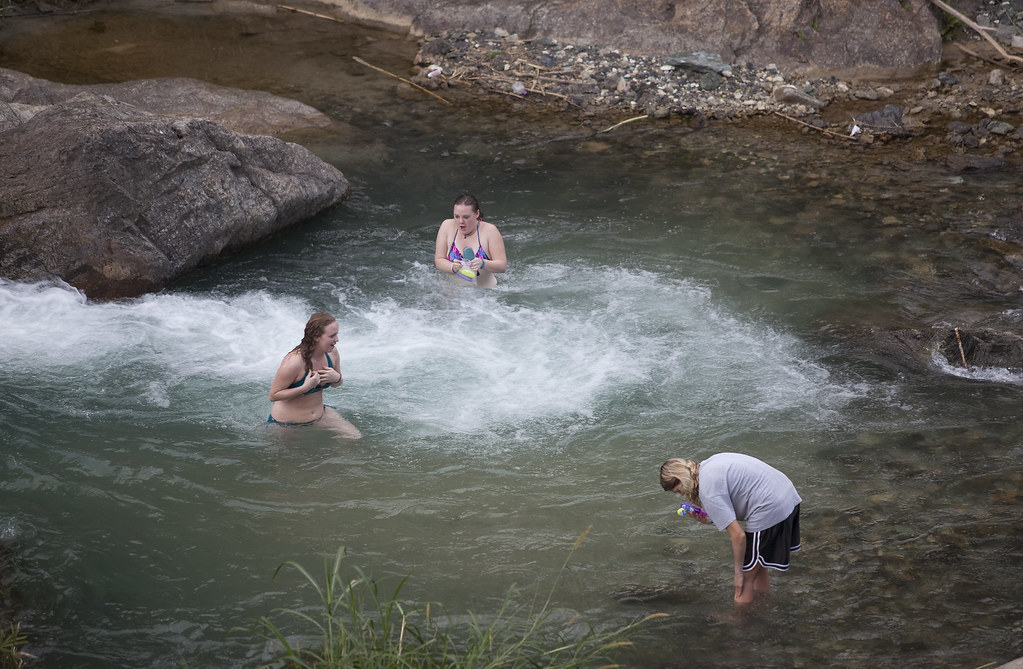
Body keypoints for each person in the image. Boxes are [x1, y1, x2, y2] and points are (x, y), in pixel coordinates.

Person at [659, 453, 801, 605]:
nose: (682, 494)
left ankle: (739, 618)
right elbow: (737, 498)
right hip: (787, 495)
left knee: (744, 580)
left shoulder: (707, 490)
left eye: (678, 490)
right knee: (759, 567)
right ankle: (763, 606)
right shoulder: (708, 466)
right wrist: (708, 519)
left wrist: (737, 573)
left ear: (681, 478)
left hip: (771, 506)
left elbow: (739, 536)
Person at [268, 312, 361, 439]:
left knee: (353, 437)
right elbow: (273, 395)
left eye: (337, 334)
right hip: (287, 424)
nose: (337, 339)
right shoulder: (294, 362)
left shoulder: (332, 353)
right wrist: (304, 388)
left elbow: (336, 384)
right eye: (332, 336)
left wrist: (337, 378)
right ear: (316, 336)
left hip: (320, 415)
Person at [434, 193, 507, 288]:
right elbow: (439, 259)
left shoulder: (490, 231)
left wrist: (483, 263)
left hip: (485, 293)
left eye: (466, 217)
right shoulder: (447, 226)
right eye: (456, 216)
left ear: (477, 214)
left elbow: (502, 266)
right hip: (453, 290)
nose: (460, 221)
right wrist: (452, 267)